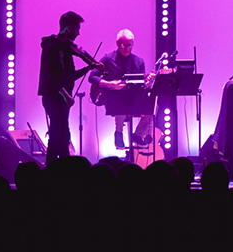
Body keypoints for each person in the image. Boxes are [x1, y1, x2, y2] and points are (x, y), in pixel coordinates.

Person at [38, 11, 102, 164]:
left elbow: (69, 75)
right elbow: (51, 77)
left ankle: (59, 170)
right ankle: (57, 170)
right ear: (68, 28)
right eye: (77, 29)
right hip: (54, 98)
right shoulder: (52, 47)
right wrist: (66, 95)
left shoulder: (65, 48)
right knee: (57, 136)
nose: (78, 33)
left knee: (61, 135)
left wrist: (89, 67)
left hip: (62, 99)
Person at [89, 29, 154, 149]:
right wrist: (109, 84)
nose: (127, 48)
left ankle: (138, 135)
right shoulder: (107, 59)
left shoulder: (138, 62)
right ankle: (118, 133)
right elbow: (92, 77)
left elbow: (141, 84)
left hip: (133, 97)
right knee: (121, 99)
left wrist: (148, 83)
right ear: (117, 44)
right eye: (124, 45)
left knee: (153, 104)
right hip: (113, 98)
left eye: (130, 45)